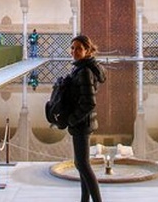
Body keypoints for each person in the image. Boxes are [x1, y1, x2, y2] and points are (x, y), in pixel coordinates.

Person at [67, 34, 106, 202]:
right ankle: (84, 199)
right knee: (80, 164)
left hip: (82, 122)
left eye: (79, 48)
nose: (74, 51)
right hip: (82, 122)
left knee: (83, 164)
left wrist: (73, 119)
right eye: (73, 48)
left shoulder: (84, 71)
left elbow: (89, 102)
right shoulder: (83, 67)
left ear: (87, 50)